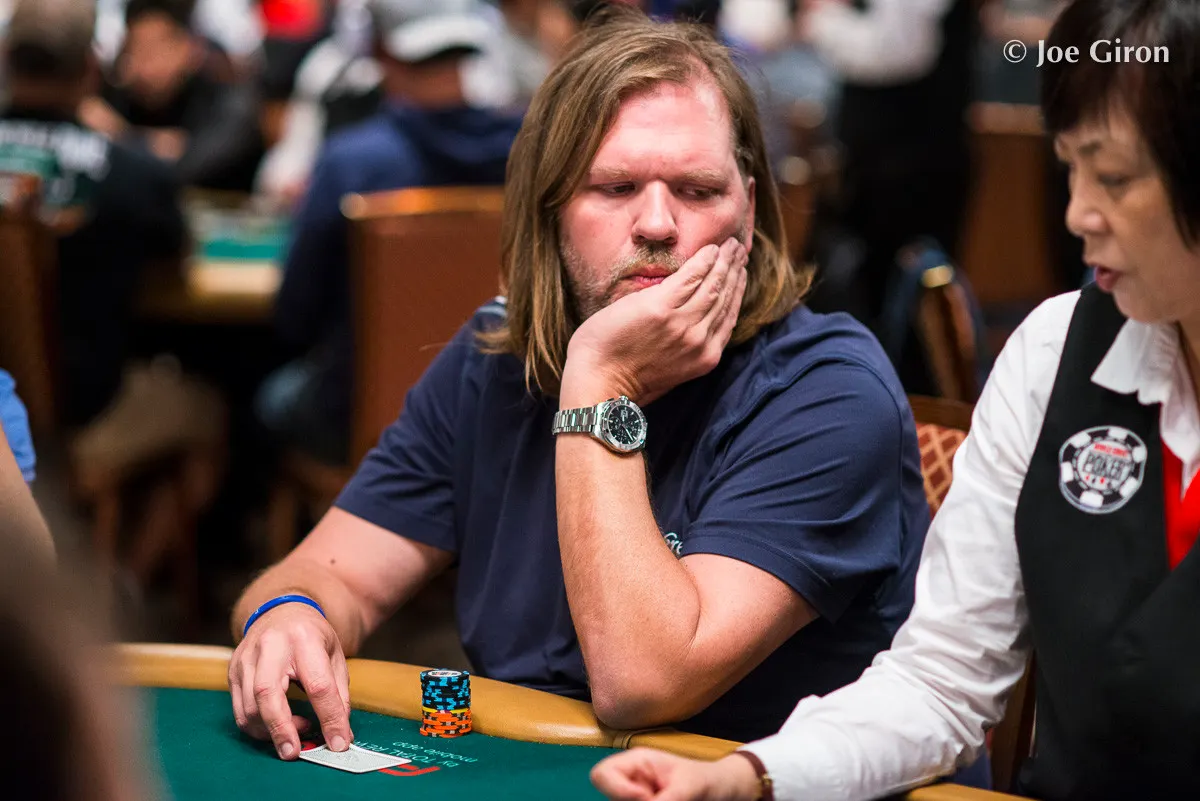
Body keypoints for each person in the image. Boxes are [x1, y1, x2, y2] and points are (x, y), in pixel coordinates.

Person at [230, 7, 928, 761]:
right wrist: (289, 613)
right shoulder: (494, 360)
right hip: (527, 767)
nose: (657, 224)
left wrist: (602, 379)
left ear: (748, 211)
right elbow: (331, 575)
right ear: (552, 210)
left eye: (697, 190)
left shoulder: (829, 393)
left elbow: (642, 684)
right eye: (616, 186)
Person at [590, 1, 1200, 799]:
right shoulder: (1053, 352)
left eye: (1113, 177)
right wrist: (750, 775)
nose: (1077, 213)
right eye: (1069, 169)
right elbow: (942, 680)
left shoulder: (825, 386)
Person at [256, 0, 525, 464]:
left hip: (361, 423)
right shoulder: (532, 152)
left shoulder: (351, 163)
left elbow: (295, 315)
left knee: (267, 396)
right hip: (502, 417)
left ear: (381, 52)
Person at [85, 0, 265, 191]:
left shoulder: (230, 101)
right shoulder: (119, 95)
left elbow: (192, 168)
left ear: (189, 47)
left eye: (155, 51)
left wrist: (122, 135)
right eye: (134, 51)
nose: (145, 68)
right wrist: (152, 144)